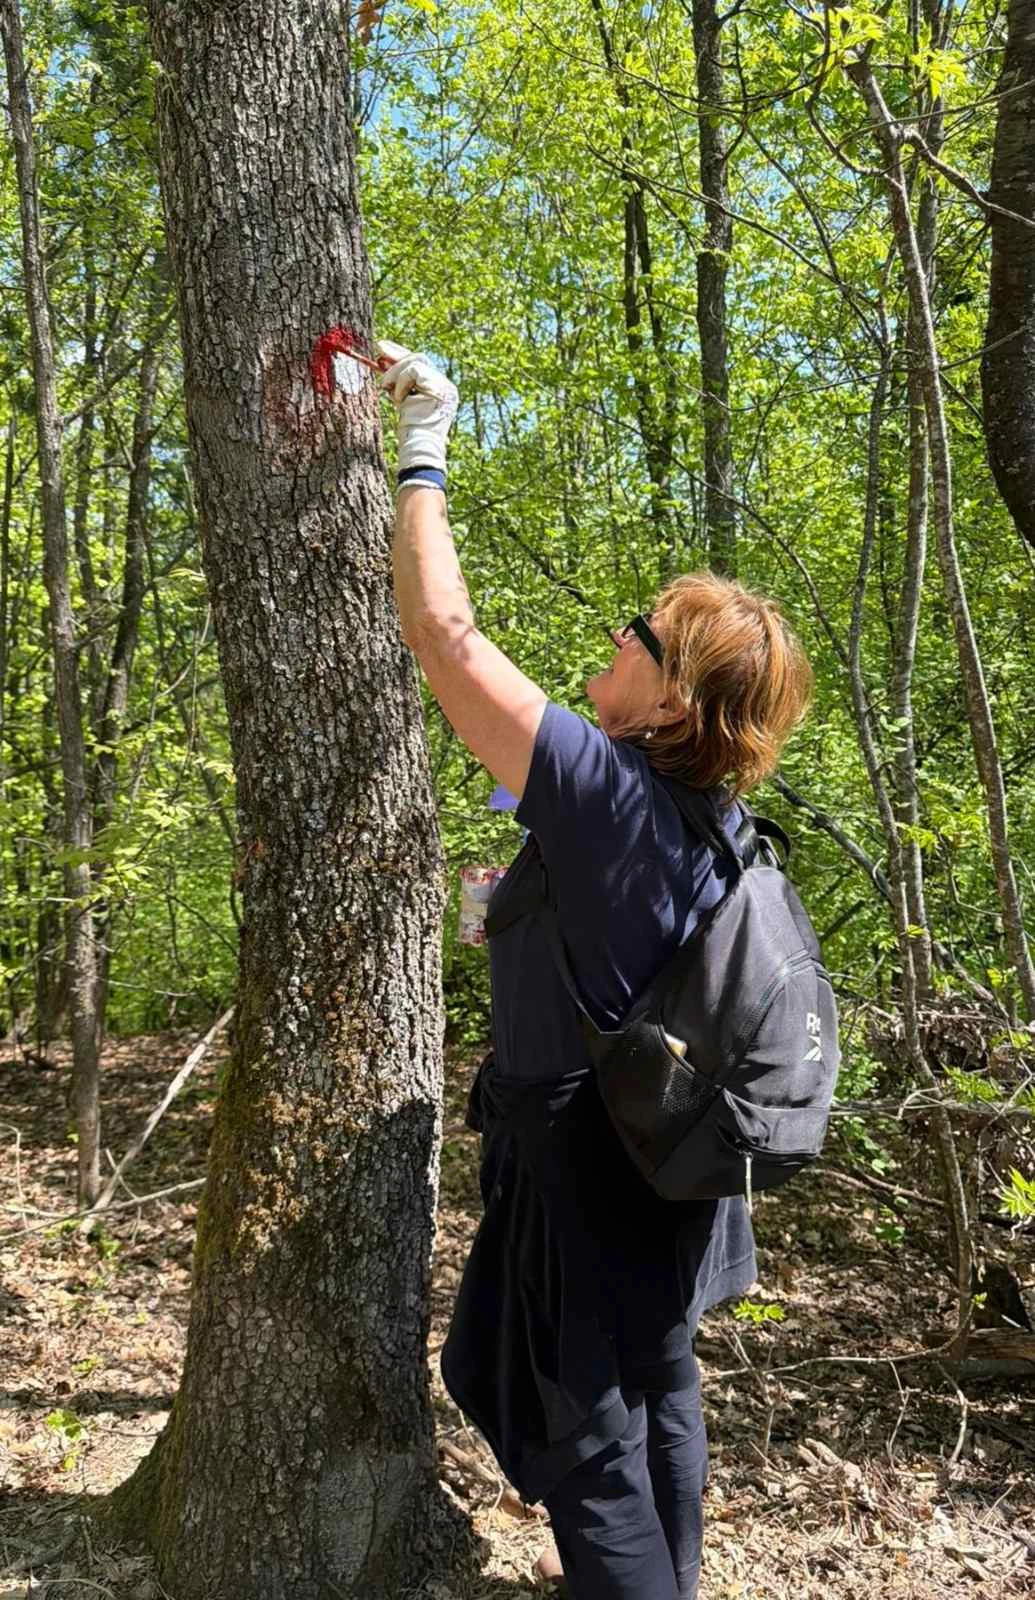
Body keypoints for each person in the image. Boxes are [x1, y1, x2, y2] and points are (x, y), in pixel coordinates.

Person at [379, 340, 814, 1600]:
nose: (611, 639)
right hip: (671, 1173)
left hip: (587, 1181)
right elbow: (642, 957)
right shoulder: (710, 819)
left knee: (594, 1454)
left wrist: (426, 444)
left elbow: (445, 638)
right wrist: (509, 919)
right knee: (662, 1393)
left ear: (669, 692)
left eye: (636, 630)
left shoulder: (604, 789)